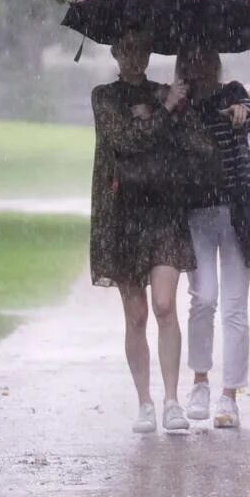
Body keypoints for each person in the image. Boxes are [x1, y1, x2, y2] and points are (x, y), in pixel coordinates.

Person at [90, 27, 197, 434]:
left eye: (142, 48)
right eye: (127, 49)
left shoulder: (165, 93)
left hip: (164, 212)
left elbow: (194, 145)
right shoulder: (104, 97)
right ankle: (145, 403)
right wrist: (162, 115)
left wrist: (176, 108)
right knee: (135, 315)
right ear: (116, 52)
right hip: (124, 216)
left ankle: (173, 400)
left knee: (165, 306)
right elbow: (125, 142)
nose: (135, 56)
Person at [175, 44, 250, 429]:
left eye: (206, 58)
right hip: (197, 212)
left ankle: (230, 396)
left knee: (235, 307)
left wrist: (243, 114)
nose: (200, 64)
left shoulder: (232, 94)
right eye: (193, 59)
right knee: (203, 298)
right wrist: (171, 106)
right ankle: (200, 382)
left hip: (238, 212)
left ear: (216, 62)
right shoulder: (180, 105)